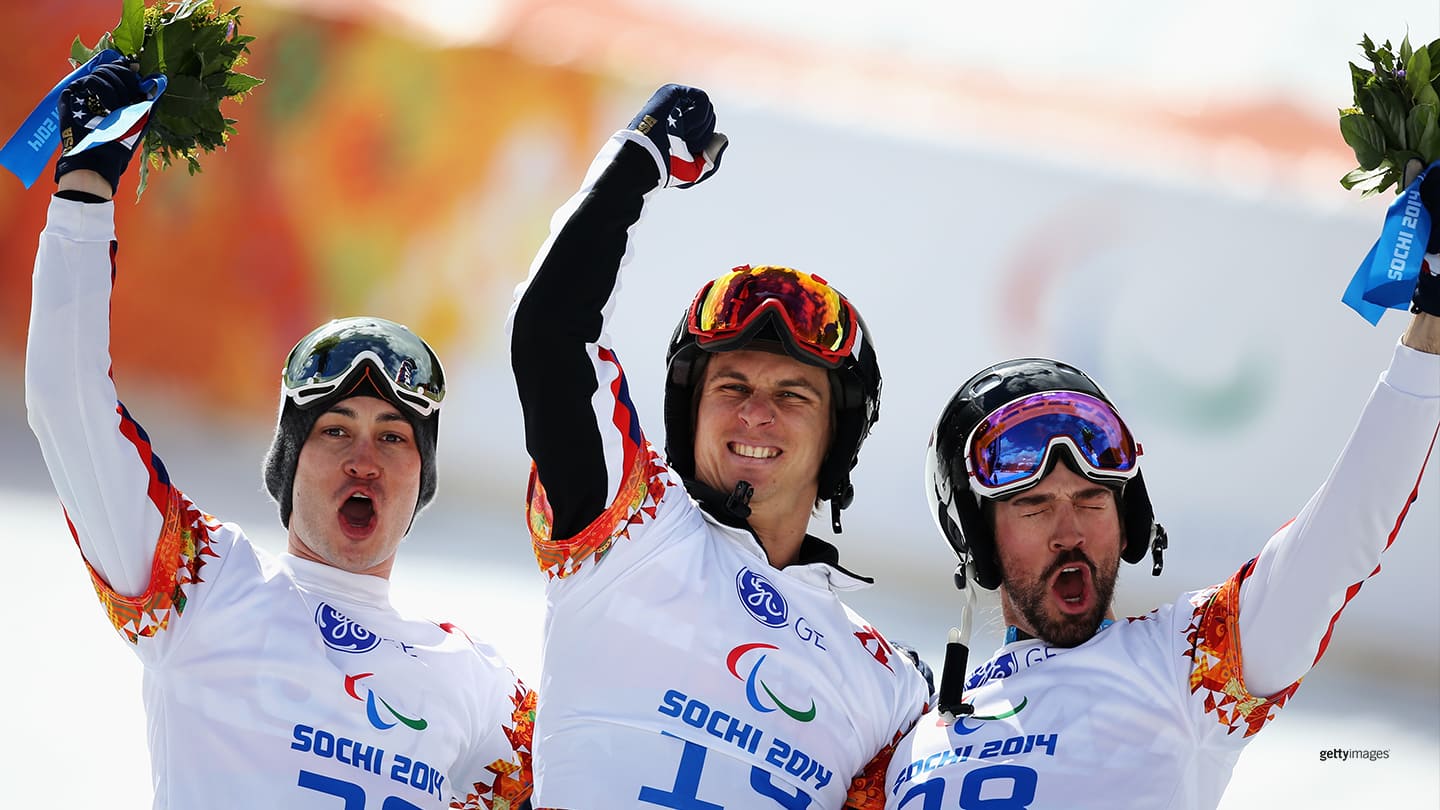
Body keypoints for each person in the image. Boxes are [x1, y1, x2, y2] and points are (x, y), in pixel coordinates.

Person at [25, 63, 535, 809]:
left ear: (421, 481)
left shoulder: (479, 684)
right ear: (288, 466)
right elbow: (65, 402)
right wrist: (82, 194)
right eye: (335, 430)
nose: (366, 458)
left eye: (395, 438)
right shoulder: (204, 587)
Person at [880, 176, 1440, 808]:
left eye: (1092, 500)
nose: (1071, 532)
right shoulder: (910, 744)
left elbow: (1343, 533)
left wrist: (1434, 311)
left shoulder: (1185, 666)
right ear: (977, 540)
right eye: (1033, 506)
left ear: (1131, 523)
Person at [506, 84, 932, 808]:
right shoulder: (630, 525)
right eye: (730, 387)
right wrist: (638, 160)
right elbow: (550, 332)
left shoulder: (889, 686)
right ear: (688, 415)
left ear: (838, 436)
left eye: (792, 396)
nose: (755, 415)